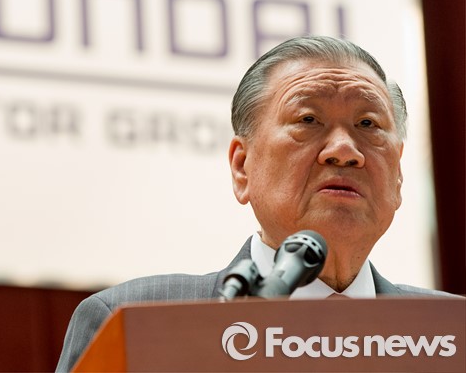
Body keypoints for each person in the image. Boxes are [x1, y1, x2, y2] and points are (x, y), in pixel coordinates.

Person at [55, 35, 459, 372]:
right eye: (308, 120)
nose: (343, 150)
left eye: (367, 124)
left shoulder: (452, 336)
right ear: (242, 166)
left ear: (399, 174)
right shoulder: (134, 324)